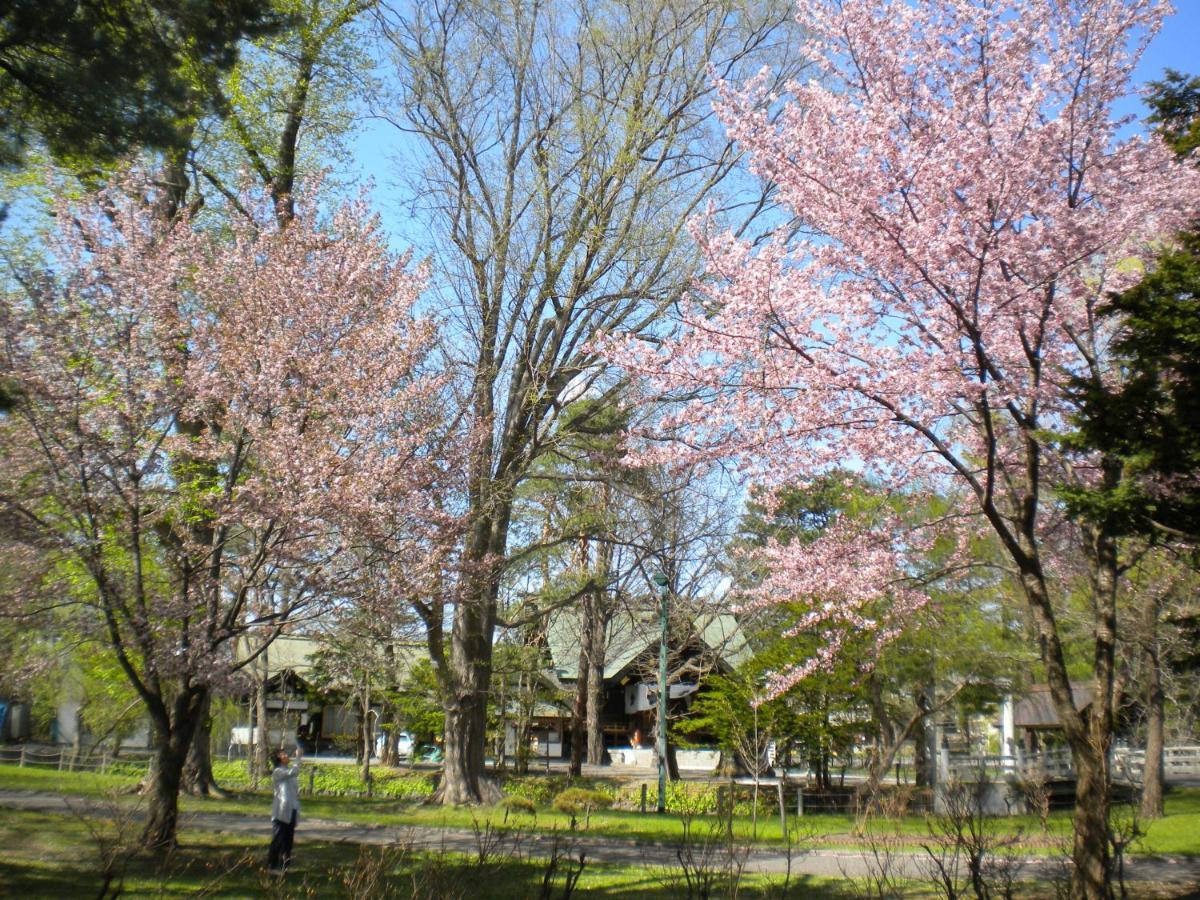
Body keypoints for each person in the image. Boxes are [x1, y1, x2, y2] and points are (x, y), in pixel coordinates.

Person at [268, 746, 302, 874]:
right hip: (280, 811)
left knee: (288, 839)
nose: (287, 756)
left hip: (291, 809)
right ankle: (272, 865)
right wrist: (298, 758)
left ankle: (285, 866)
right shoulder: (277, 772)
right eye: (283, 755)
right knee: (278, 838)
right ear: (279, 759)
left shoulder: (289, 772)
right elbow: (294, 772)